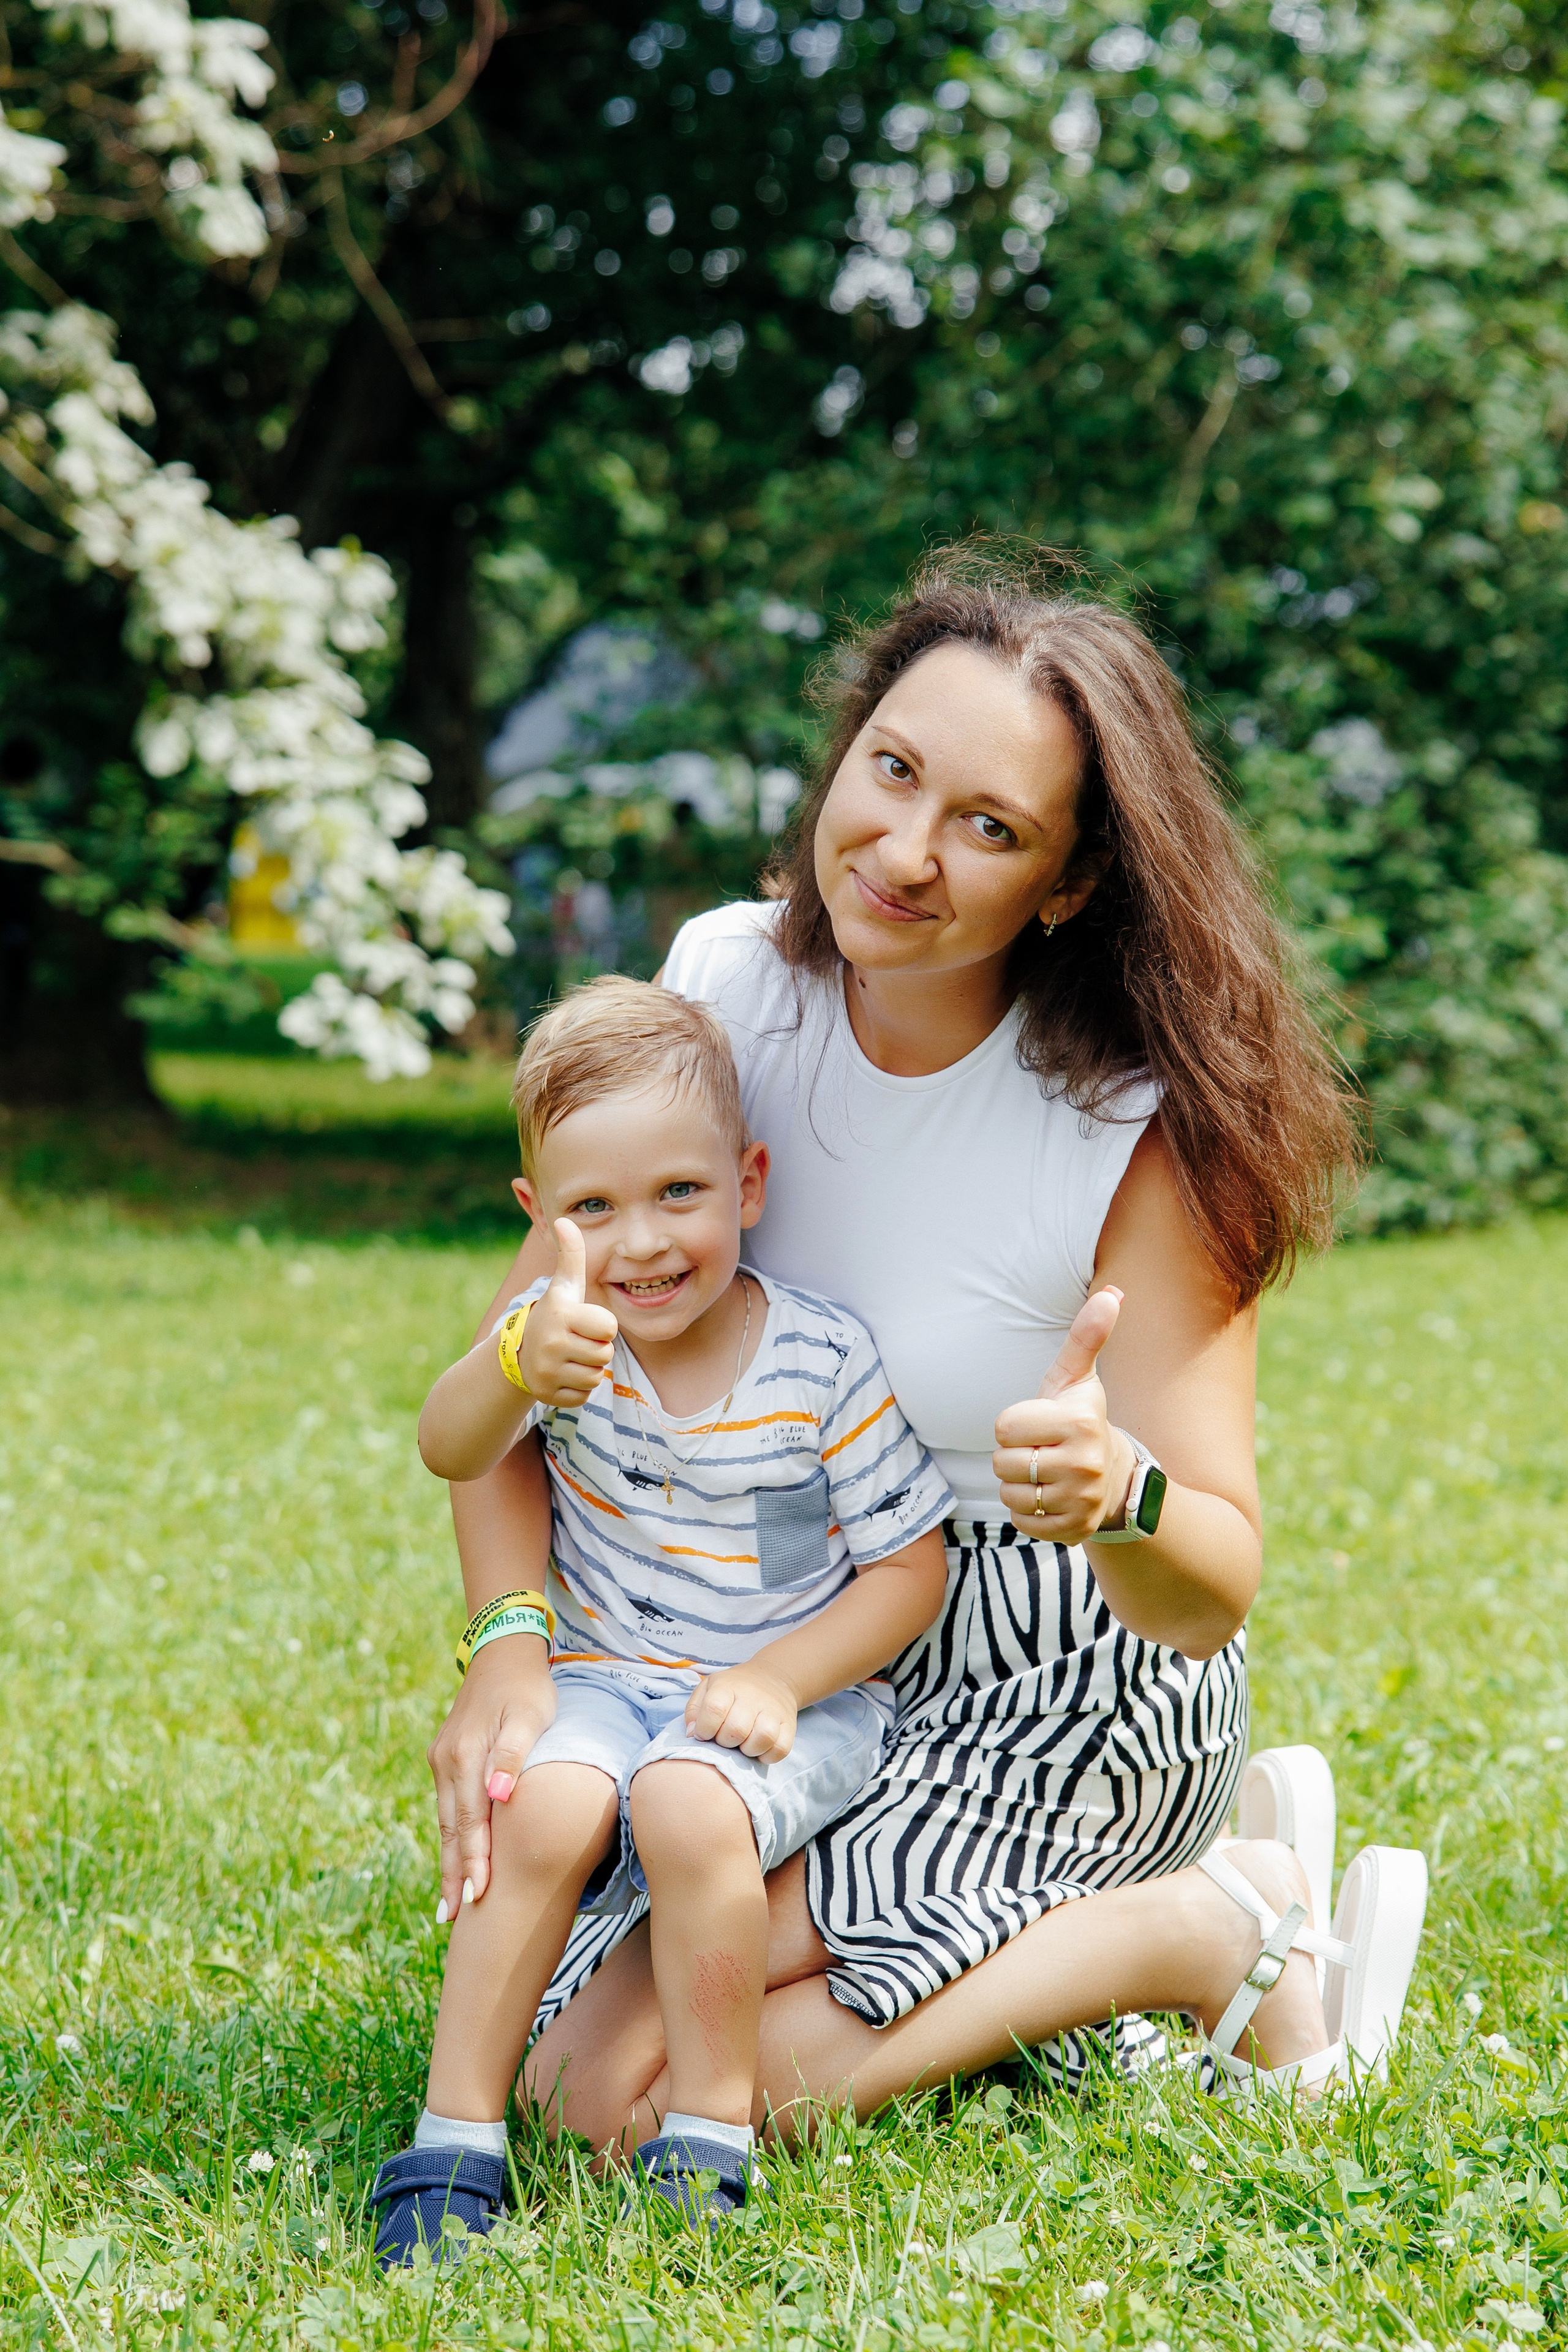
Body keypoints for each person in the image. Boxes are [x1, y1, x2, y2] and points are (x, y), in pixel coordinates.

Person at [426, 549, 1427, 2159]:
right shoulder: (720, 988)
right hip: (772, 1641)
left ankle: (1203, 1925)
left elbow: (1216, 1573)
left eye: (991, 827)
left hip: (1057, 1675)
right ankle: (1091, 1961)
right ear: (846, 750)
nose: (902, 852)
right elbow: (529, 1362)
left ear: (1069, 883)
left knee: (635, 2113)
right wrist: (512, 1643)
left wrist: (1119, 1494)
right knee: (546, 2077)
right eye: (892, 771)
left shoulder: (1131, 1130)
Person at [368, 979, 952, 2263]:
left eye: (678, 1194)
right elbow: (446, 1443)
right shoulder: (558, 1342)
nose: (639, 1243)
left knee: (689, 1807)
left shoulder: (817, 1362)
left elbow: (911, 1572)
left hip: (801, 1697)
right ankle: (451, 2136)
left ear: (747, 1183)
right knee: (540, 1804)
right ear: (541, 1220)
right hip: (607, 1677)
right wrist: (509, 1367)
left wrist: (784, 1677)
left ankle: (708, 2131)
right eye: (593, 1209)